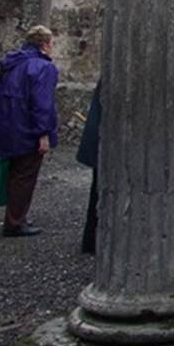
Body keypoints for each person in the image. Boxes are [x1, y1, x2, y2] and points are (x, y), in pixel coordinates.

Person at [0, 25, 59, 237]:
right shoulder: (42, 67)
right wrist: (44, 133)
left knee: (14, 174)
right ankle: (15, 222)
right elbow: (42, 104)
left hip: (8, 126)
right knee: (25, 176)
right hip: (27, 129)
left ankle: (15, 216)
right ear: (45, 45)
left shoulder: (11, 64)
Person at [76, 80, 101, 254]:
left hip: (100, 145)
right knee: (101, 193)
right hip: (105, 146)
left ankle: (91, 241)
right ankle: (93, 242)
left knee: (97, 193)